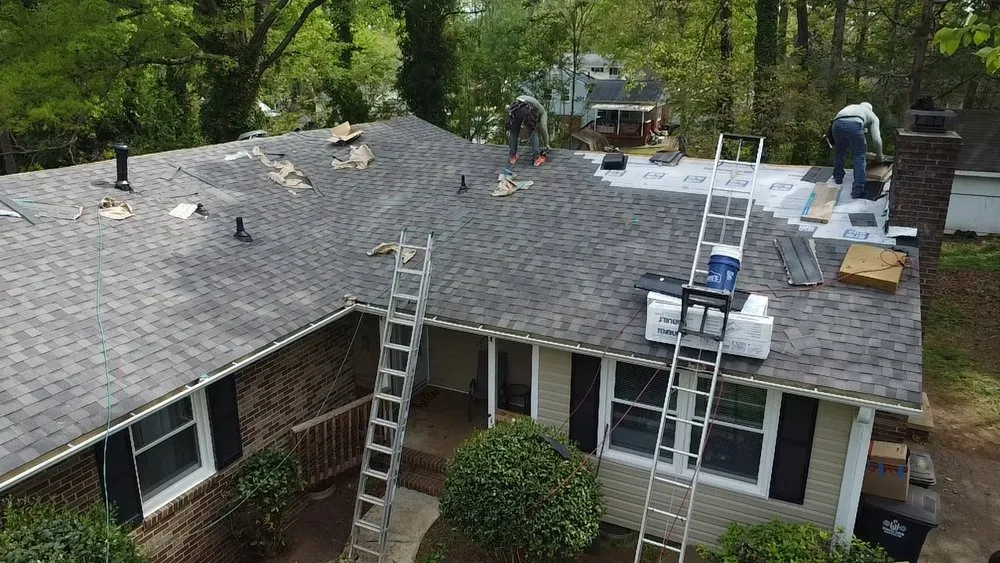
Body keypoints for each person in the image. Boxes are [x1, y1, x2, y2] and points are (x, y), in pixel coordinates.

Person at [831, 102, 884, 199]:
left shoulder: (851, 107)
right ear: (870, 109)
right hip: (854, 124)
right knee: (859, 156)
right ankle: (858, 190)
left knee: (840, 151)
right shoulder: (872, 116)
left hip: (836, 124)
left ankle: (838, 178)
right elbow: (876, 140)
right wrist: (879, 156)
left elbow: (845, 122)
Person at [506, 94, 552, 166]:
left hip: (515, 107)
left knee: (514, 132)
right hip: (526, 108)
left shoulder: (537, 108)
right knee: (533, 132)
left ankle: (512, 156)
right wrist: (547, 144)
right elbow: (543, 127)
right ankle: (536, 158)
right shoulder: (542, 112)